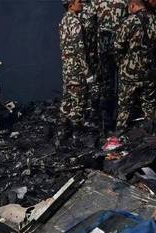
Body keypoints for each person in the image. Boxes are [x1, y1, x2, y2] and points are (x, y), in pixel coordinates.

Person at [114, 0, 156, 131]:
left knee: (125, 106)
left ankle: (119, 134)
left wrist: (121, 63)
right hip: (149, 71)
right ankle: (152, 134)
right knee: (149, 105)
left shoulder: (129, 22)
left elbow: (117, 46)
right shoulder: (155, 20)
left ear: (133, 5)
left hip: (130, 72)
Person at [92, 0, 129, 131]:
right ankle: (118, 122)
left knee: (107, 85)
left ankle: (107, 123)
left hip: (105, 48)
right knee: (120, 85)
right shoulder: (124, 2)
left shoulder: (97, 2)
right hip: (118, 48)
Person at [59, 0, 91, 133]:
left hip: (67, 66)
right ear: (70, 5)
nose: (82, 3)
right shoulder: (75, 22)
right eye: (78, 1)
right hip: (76, 67)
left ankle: (62, 129)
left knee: (67, 97)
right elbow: (79, 48)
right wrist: (87, 71)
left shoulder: (63, 21)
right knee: (79, 98)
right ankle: (76, 132)